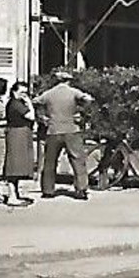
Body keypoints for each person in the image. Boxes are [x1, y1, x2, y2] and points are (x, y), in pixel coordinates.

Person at [35, 68, 94, 200]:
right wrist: (81, 112)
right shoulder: (74, 92)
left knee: (50, 161)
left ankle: (48, 189)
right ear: (68, 80)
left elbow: (35, 101)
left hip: (53, 129)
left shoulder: (48, 93)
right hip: (71, 129)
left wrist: (42, 117)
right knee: (78, 159)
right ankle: (81, 188)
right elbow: (88, 99)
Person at [0, 81, 37, 206]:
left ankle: (14, 194)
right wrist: (30, 103)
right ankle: (12, 196)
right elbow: (31, 116)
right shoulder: (16, 104)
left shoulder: (16, 103)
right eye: (21, 92)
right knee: (14, 166)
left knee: (18, 167)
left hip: (20, 134)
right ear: (14, 92)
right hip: (17, 134)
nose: (24, 95)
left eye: (26, 93)